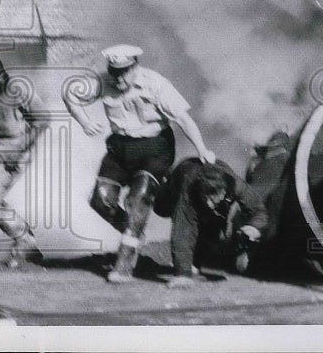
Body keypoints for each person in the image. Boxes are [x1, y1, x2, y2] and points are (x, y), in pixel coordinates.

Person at [62, 44, 215, 283]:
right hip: (120, 148)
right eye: (114, 71)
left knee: (137, 199)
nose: (118, 78)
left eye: (124, 71)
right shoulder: (103, 82)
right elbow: (70, 93)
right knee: (101, 200)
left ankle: (124, 263)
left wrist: (202, 148)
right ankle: (133, 231)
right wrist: (83, 120)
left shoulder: (156, 84)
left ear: (135, 67)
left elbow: (183, 118)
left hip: (154, 148)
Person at [153, 157, 268, 288]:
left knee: (213, 221)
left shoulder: (238, 186)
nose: (208, 202)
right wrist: (183, 275)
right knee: (161, 208)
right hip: (180, 177)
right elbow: (183, 230)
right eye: (205, 196)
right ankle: (161, 179)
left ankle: (194, 262)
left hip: (216, 186)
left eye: (212, 197)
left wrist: (255, 227)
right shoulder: (190, 186)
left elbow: (259, 210)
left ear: (223, 192)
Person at [0, 56, 50, 266]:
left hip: (17, 150)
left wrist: (19, 152)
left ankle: (24, 238)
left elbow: (42, 119)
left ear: (1, 78)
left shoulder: (18, 90)